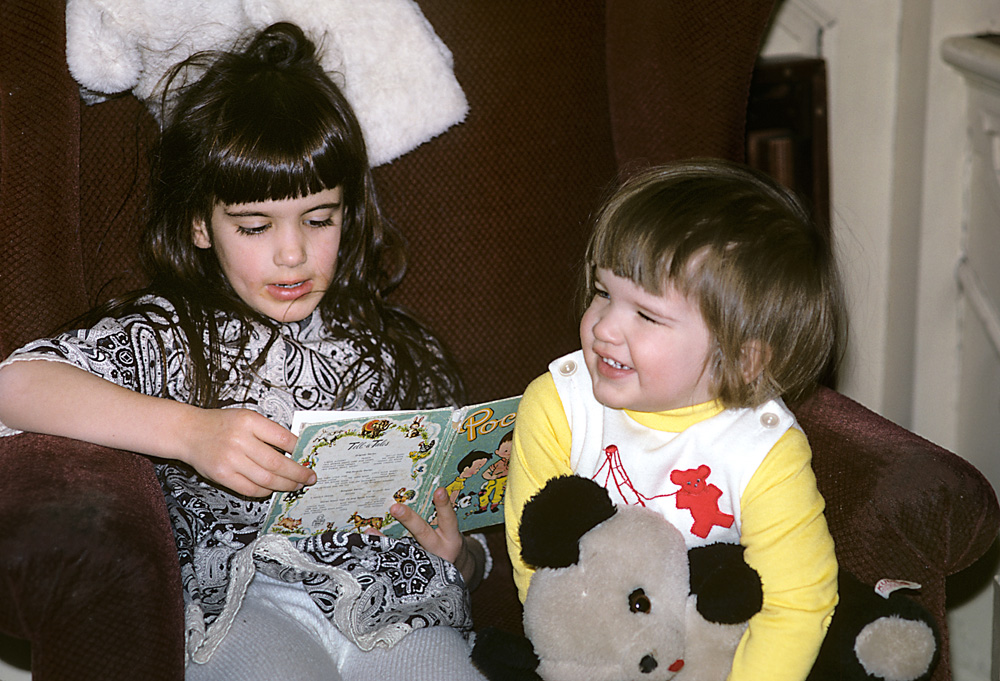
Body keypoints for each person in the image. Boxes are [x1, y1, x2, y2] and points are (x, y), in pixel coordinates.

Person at [0, 22, 486, 681]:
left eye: (320, 219)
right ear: (201, 224)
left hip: (397, 605)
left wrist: (460, 557)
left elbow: (460, 501)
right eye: (255, 225)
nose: (292, 253)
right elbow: (17, 384)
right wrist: (189, 431)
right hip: (244, 606)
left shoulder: (397, 348)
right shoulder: (168, 333)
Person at [505, 159, 844, 681]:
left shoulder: (762, 451)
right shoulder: (558, 405)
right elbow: (540, 565)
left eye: (646, 314)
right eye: (602, 292)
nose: (603, 327)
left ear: (743, 359)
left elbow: (798, 604)